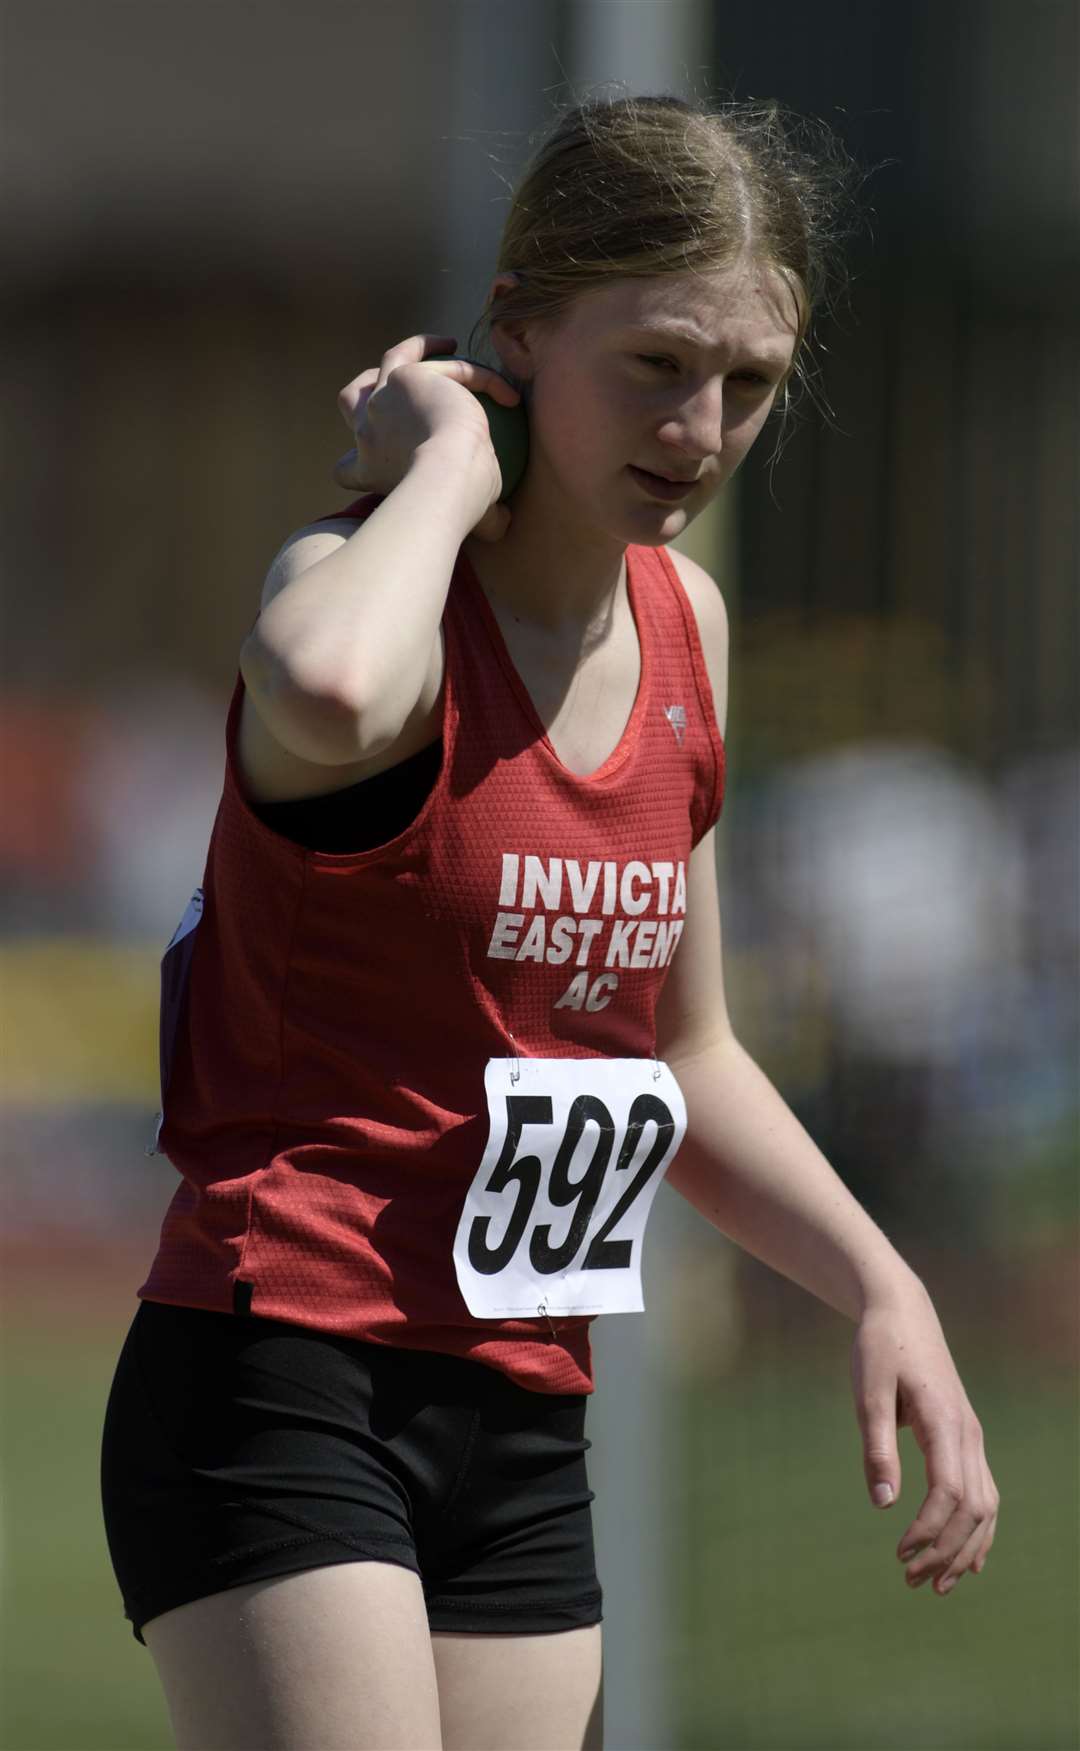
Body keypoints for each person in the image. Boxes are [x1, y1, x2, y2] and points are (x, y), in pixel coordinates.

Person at [100, 92, 999, 1751]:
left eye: (750, 384)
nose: (703, 425)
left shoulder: (690, 630)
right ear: (515, 335)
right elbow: (327, 683)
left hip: (519, 1408)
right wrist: (444, 463)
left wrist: (885, 1284)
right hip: (280, 1371)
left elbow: (685, 1051)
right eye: (655, 363)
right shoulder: (366, 585)